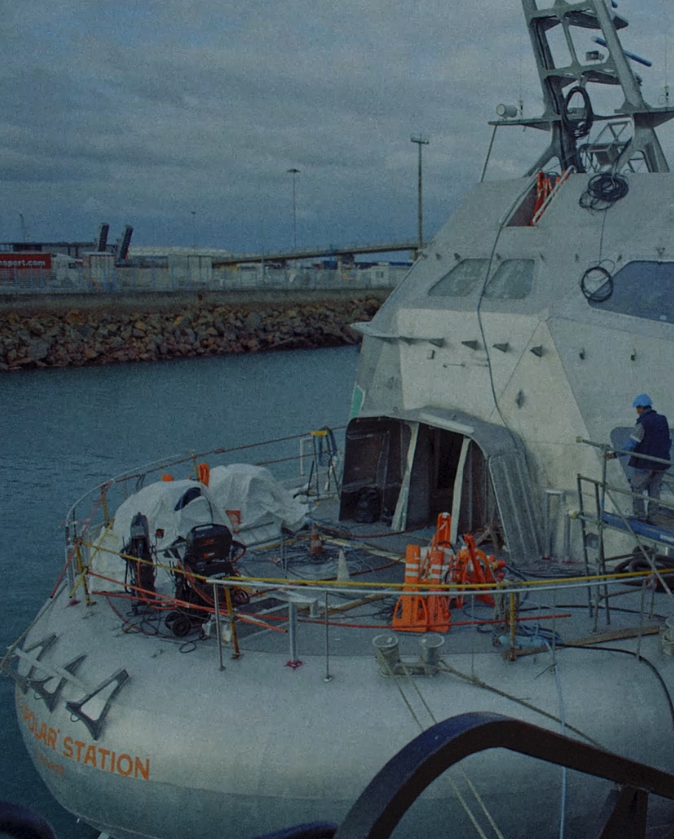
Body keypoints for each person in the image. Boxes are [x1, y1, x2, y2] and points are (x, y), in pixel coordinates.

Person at [609, 394, 671, 522]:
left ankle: (640, 516)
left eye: (637, 409)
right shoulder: (662, 420)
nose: (637, 412)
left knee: (636, 487)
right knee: (655, 492)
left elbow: (631, 444)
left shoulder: (643, 423)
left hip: (645, 464)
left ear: (641, 408)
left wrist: (614, 454)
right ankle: (653, 518)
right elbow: (668, 441)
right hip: (661, 463)